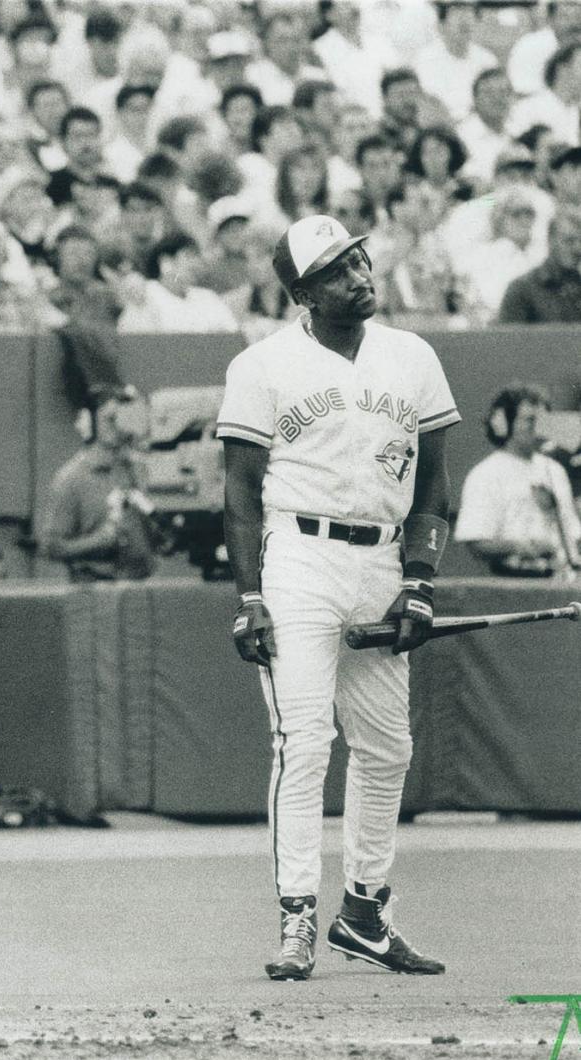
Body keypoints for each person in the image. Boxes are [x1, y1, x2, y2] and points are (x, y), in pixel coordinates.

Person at [219, 213, 457, 982]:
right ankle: (296, 917)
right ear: (301, 292)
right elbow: (238, 492)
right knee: (305, 741)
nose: (357, 274)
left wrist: (417, 586)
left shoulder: (411, 355)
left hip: (381, 559)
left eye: (357, 258)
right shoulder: (262, 364)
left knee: (388, 747)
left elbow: (432, 485)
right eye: (335, 269)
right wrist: (249, 596)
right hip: (299, 557)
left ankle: (363, 913)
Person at [455, 384, 581, 580]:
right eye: (530, 420)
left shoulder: (555, 470)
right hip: (511, 582)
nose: (539, 428)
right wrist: (522, 547)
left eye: (544, 420)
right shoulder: (485, 474)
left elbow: (572, 532)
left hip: (559, 580)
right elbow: (476, 541)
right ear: (503, 424)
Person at [39, 385, 164, 582]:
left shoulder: (137, 471)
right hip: (93, 589)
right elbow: (51, 546)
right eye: (111, 419)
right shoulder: (72, 478)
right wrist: (99, 541)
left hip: (140, 588)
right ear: (91, 422)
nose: (119, 426)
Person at [498, 210, 581, 323]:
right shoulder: (522, 289)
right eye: (569, 241)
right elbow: (508, 339)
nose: (577, 249)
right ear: (551, 241)